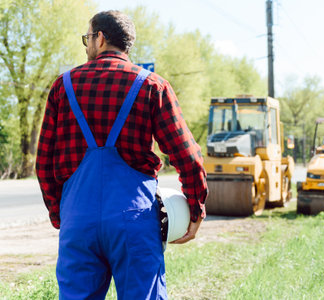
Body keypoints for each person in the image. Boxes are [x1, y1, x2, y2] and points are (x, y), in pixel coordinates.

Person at [35, 10, 208, 299]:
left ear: (100, 38)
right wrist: (195, 208)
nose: (87, 45)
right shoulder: (152, 85)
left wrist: (61, 215)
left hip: (78, 222)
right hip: (135, 220)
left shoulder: (62, 87)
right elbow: (187, 155)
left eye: (87, 38)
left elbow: (44, 163)